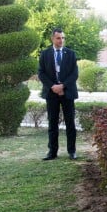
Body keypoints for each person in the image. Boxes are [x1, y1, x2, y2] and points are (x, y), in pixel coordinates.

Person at [38, 28, 78, 160]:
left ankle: (72, 151)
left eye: (63, 38)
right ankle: (52, 152)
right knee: (52, 123)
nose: (61, 40)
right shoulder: (45, 54)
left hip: (67, 92)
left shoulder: (71, 54)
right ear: (52, 39)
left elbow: (74, 74)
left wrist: (63, 86)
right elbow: (41, 73)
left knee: (70, 123)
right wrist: (53, 86)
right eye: (58, 38)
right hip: (51, 93)